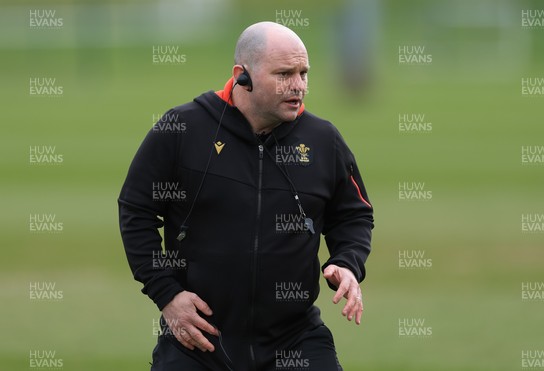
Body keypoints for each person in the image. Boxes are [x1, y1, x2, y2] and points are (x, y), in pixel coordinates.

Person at [118, 21, 374, 370]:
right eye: (284, 73)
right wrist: (167, 294)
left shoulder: (322, 140)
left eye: (303, 72)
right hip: (198, 340)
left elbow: (353, 215)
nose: (298, 85)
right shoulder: (182, 129)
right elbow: (136, 209)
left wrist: (346, 262)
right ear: (243, 76)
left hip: (294, 339)